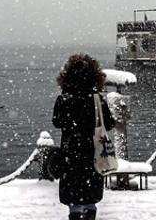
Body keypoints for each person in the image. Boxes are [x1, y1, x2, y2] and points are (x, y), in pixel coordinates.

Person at [52, 53, 115, 220]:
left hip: (70, 156)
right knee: (90, 199)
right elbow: (109, 124)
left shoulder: (64, 99)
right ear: (95, 76)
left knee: (74, 201)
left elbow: (57, 122)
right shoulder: (97, 100)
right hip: (93, 155)